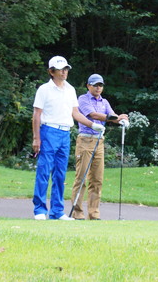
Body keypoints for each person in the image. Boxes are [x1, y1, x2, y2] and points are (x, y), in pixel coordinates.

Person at [32, 56, 105, 220]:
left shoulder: (70, 89)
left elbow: (75, 113)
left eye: (66, 69)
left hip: (65, 133)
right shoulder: (44, 89)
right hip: (48, 131)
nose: (64, 72)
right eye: (60, 69)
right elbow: (37, 115)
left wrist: (92, 125)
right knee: (44, 171)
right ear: (51, 72)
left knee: (60, 173)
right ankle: (40, 210)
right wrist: (36, 138)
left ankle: (57, 211)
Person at [70, 73, 129, 220]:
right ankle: (77, 213)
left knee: (97, 179)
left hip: (99, 141)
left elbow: (112, 115)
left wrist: (121, 119)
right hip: (85, 140)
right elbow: (93, 115)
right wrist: (113, 118)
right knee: (81, 177)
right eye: (95, 85)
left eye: (100, 85)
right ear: (88, 86)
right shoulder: (83, 99)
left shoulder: (105, 102)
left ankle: (94, 213)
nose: (98, 87)